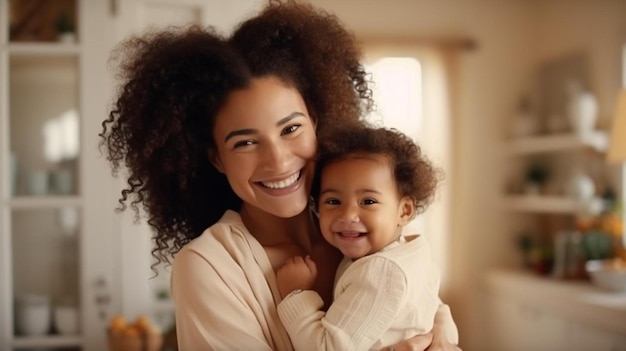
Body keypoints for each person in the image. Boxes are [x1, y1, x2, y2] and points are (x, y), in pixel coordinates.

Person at [99, 1, 460, 350]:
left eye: (290, 130)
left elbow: (417, 295)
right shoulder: (209, 267)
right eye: (245, 142)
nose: (278, 161)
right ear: (217, 158)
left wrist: (442, 332)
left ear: (315, 122)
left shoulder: (357, 223)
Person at [275, 125, 457, 351]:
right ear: (317, 209)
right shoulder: (412, 253)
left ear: (404, 211)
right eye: (333, 201)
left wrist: (296, 294)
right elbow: (438, 311)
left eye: (368, 201)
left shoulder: (381, 271)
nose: (348, 215)